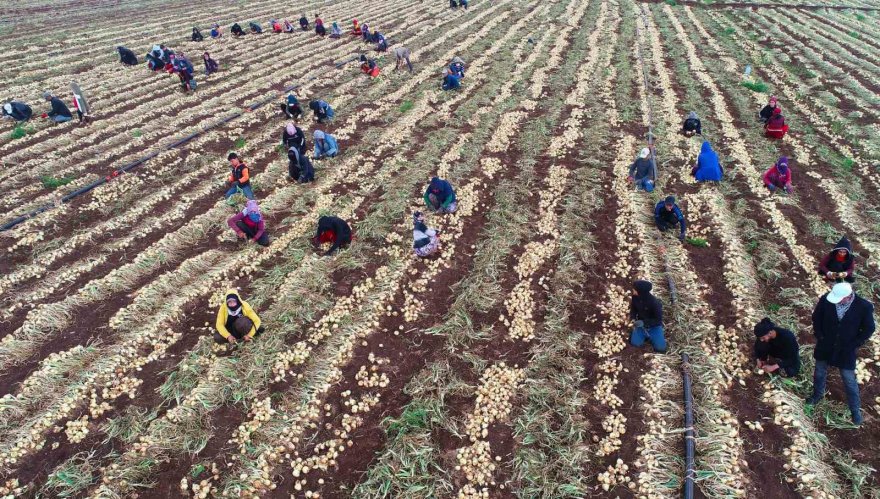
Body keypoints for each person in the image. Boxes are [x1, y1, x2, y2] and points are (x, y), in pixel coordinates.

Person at [806, 282, 875, 425]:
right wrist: (820, 335)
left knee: (849, 379)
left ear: (848, 296)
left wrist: (855, 343)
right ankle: (817, 395)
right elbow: (816, 317)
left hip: (846, 349)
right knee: (819, 371)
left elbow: (869, 328)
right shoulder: (826, 299)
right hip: (826, 344)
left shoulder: (863, 306)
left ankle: (855, 410)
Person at [629, 280, 667, 353]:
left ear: (641, 291)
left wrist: (643, 322)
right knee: (635, 343)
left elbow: (658, 320)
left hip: (654, 327)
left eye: (635, 289)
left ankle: (651, 336)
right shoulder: (635, 297)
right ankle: (645, 335)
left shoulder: (654, 303)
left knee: (661, 349)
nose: (633, 290)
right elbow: (633, 309)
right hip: (640, 326)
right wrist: (633, 317)